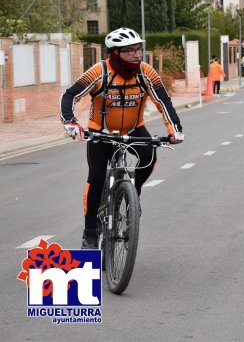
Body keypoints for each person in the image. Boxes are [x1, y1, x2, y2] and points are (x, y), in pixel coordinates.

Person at [60, 27, 184, 249]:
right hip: (102, 131)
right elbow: (71, 94)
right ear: (114, 53)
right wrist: (70, 122)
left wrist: (175, 129)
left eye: (139, 49)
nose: (137, 55)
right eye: (130, 51)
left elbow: (163, 101)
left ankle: (132, 197)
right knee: (96, 177)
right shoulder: (99, 72)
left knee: (149, 157)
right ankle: (89, 233)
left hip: (135, 128)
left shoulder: (146, 72)